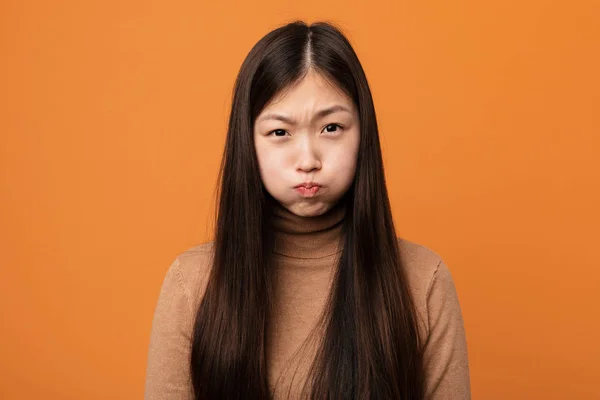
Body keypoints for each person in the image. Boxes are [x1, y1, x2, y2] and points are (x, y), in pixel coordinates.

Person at [144, 20, 470, 400]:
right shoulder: (193, 283)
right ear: (247, 143)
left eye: (331, 128)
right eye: (280, 132)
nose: (308, 160)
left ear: (363, 134)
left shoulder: (422, 280)